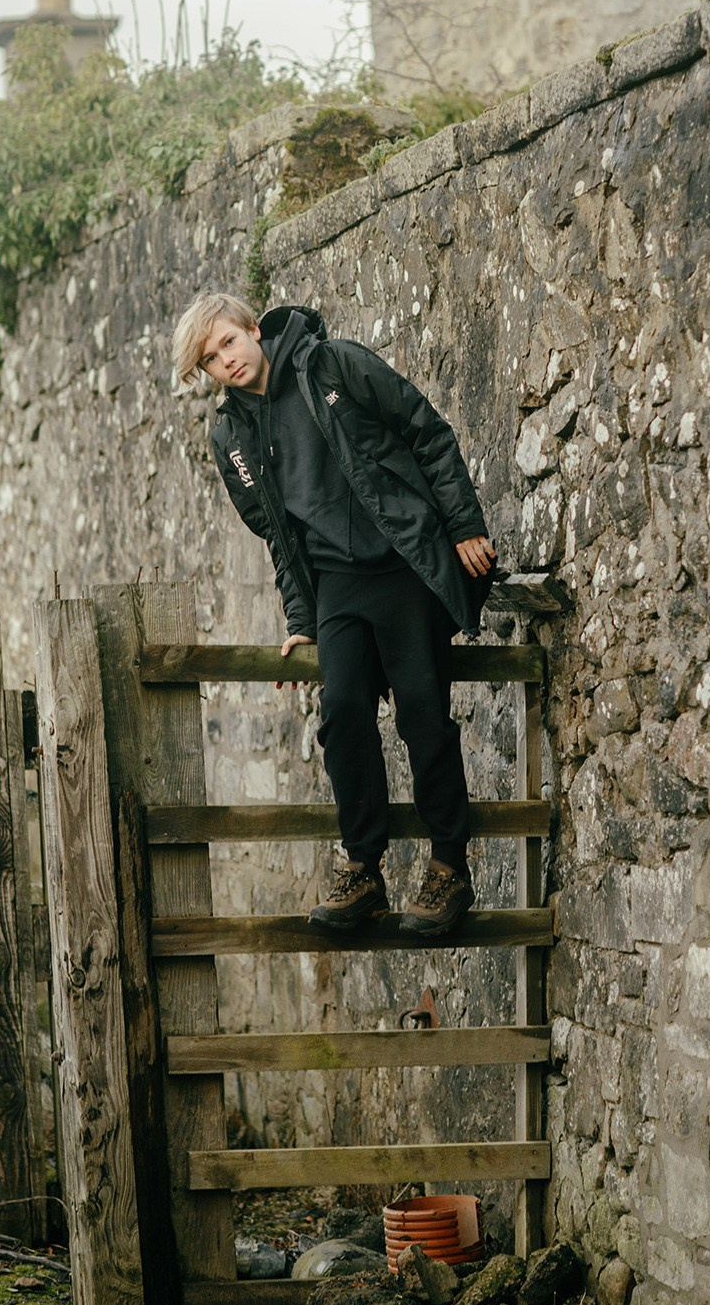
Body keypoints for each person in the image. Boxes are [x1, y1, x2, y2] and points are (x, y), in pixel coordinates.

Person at [172, 292, 496, 937]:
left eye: (228, 342)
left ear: (253, 330)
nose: (226, 360)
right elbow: (277, 535)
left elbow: (427, 432)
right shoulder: (230, 435)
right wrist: (301, 616)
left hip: (405, 564)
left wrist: (462, 525)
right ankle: (364, 869)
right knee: (343, 713)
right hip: (339, 587)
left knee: (422, 712)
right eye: (210, 358)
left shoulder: (335, 366)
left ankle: (448, 868)